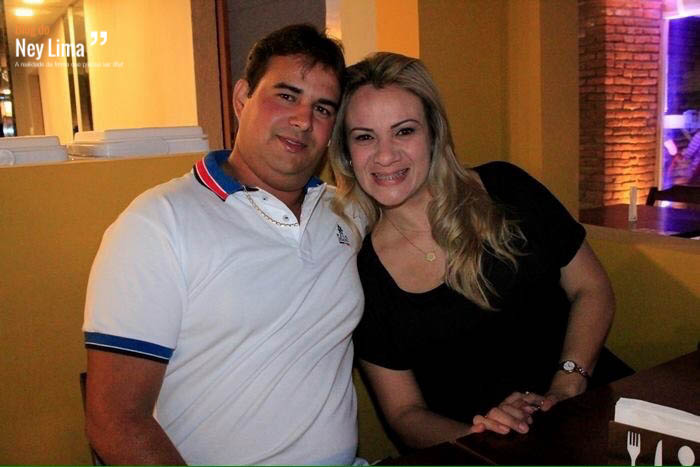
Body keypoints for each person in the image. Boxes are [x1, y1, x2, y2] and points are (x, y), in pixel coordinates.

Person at [83, 24, 365, 465]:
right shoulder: (158, 224)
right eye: (286, 95)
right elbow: (115, 420)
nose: (303, 120)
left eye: (323, 108)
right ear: (241, 98)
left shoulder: (346, 212)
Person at [329, 52, 621, 449]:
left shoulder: (506, 188)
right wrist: (482, 436)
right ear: (346, 151)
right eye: (365, 136)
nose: (385, 155)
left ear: (434, 134)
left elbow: (592, 289)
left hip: (597, 412)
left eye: (404, 131)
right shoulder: (360, 272)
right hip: (494, 452)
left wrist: (567, 386)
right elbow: (404, 413)